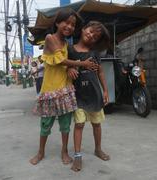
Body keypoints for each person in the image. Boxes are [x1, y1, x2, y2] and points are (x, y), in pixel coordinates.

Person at [29, 8, 98, 165]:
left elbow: (64, 64)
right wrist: (82, 63)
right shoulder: (49, 38)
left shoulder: (67, 44)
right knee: (46, 125)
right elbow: (60, 60)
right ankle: (40, 152)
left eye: (73, 25)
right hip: (50, 91)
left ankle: (65, 151)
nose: (69, 26)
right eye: (66, 22)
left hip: (65, 90)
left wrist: (71, 68)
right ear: (58, 22)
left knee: (65, 125)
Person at [67, 21, 110, 172]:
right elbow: (65, 65)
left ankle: (98, 149)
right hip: (78, 96)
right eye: (90, 31)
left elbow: (101, 72)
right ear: (84, 29)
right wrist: (69, 69)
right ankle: (78, 155)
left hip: (95, 94)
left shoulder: (94, 53)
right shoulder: (70, 50)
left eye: (95, 36)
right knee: (79, 125)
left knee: (97, 124)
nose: (91, 36)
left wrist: (105, 91)